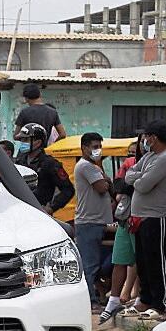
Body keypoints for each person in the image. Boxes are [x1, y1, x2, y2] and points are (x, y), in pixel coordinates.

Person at [122, 121, 166, 320]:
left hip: (157, 217)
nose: (144, 141)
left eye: (146, 136)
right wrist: (139, 177)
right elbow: (128, 175)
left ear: (154, 138)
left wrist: (138, 178)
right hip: (141, 217)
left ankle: (159, 305)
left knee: (157, 262)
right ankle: (145, 299)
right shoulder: (149, 156)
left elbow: (143, 185)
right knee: (143, 262)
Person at [73, 132, 112, 308]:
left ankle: (97, 296)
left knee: (96, 265)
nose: (98, 150)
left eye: (99, 147)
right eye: (95, 147)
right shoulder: (86, 167)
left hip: (97, 222)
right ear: (84, 148)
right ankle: (90, 301)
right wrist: (106, 181)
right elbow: (103, 187)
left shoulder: (94, 167)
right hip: (89, 222)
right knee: (90, 266)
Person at [15, 123, 74, 215]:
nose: (22, 143)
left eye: (26, 140)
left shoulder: (50, 163)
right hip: (20, 211)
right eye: (22, 140)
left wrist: (51, 208)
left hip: (40, 213)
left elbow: (68, 190)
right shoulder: (20, 161)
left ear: (38, 142)